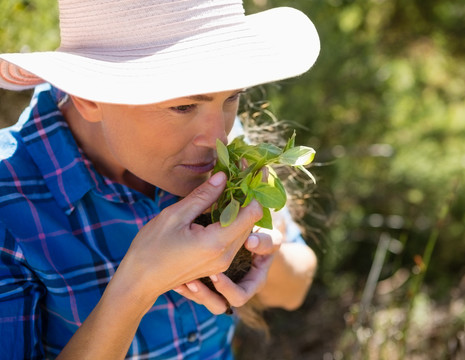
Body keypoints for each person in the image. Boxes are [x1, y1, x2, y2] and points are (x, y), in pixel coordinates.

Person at [0, 0, 320, 358]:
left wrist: (259, 255)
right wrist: (137, 284)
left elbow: (296, 289)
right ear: (89, 96)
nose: (218, 137)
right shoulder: (8, 203)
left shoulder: (218, 153)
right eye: (183, 107)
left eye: (231, 98)